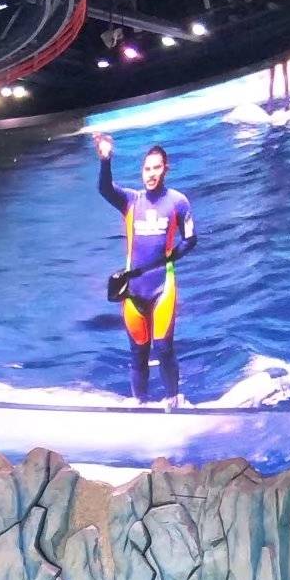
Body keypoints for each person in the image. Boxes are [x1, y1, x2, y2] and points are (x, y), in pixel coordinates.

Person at [94, 134, 196, 407]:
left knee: (163, 348)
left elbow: (190, 239)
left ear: (166, 169)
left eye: (157, 168)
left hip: (163, 287)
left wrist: (173, 256)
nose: (151, 174)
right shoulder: (131, 200)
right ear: (142, 171)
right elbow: (104, 188)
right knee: (138, 354)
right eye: (147, 168)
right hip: (133, 291)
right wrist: (105, 159)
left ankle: (173, 401)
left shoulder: (178, 202)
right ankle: (139, 404)